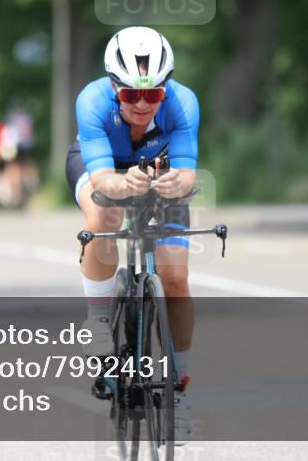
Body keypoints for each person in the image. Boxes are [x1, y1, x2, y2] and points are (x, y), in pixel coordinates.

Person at [65, 26, 199, 444]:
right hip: (102, 167)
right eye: (130, 95)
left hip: (158, 170)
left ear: (167, 87)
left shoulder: (184, 102)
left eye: (154, 95)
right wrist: (126, 185)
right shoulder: (91, 102)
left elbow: (188, 170)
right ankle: (99, 318)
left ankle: (178, 389)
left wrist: (176, 184)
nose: (142, 105)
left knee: (175, 279)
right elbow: (104, 177)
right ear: (113, 86)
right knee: (103, 215)